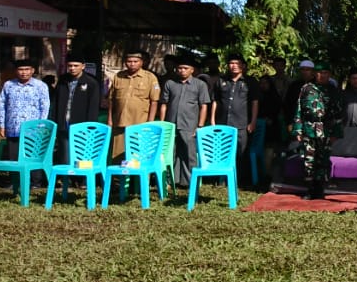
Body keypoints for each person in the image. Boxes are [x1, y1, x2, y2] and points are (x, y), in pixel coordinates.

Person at [293, 62, 343, 200]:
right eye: (320, 73)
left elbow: (338, 114)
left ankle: (320, 190)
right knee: (308, 161)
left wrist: (336, 133)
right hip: (309, 128)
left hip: (326, 129)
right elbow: (299, 110)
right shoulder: (306, 88)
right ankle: (309, 190)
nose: (322, 75)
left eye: (326, 73)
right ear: (315, 73)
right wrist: (298, 130)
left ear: (330, 75)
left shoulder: (333, 90)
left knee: (323, 161)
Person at [159, 57, 211, 186]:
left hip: (189, 124)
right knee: (172, 152)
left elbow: (203, 106)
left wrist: (200, 125)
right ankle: (171, 180)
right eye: (180, 68)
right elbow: (164, 104)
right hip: (171, 123)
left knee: (189, 153)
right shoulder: (170, 83)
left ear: (192, 70)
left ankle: (190, 181)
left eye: (185, 68)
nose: (182, 71)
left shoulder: (200, 85)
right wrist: (162, 122)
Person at [107, 50, 161, 162]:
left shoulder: (150, 78)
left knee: (139, 155)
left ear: (141, 62)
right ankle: (118, 178)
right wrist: (110, 119)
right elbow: (111, 100)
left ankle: (138, 179)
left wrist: (150, 122)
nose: (132, 64)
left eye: (135, 61)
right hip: (120, 122)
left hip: (140, 123)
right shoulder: (119, 76)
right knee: (118, 156)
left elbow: (154, 102)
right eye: (129, 61)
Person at [211, 54, 259, 172]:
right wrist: (212, 120)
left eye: (237, 63)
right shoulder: (221, 81)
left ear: (243, 66)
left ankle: (239, 178)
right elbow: (215, 101)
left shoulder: (250, 82)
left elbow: (255, 102)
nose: (234, 66)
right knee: (222, 150)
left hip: (242, 124)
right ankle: (221, 176)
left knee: (241, 152)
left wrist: (253, 121)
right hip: (222, 122)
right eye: (231, 63)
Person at [0, 58, 51, 163]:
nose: (24, 72)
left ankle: (35, 179)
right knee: (14, 159)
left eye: (27, 69)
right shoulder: (9, 85)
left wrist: (41, 127)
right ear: (16, 71)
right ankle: (16, 179)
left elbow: (45, 107)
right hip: (13, 129)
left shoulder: (40, 86)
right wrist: (2, 125)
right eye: (21, 69)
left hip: (33, 130)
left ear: (32, 70)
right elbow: (2, 104)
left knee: (32, 159)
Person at [50, 54, 102, 164]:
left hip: (82, 127)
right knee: (65, 157)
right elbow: (56, 102)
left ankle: (80, 180)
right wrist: (54, 121)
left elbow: (93, 107)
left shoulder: (91, 83)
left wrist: (90, 127)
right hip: (64, 124)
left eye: (76, 65)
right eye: (70, 66)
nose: (72, 68)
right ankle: (66, 180)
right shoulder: (63, 80)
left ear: (83, 66)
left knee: (81, 156)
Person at [283, 60, 316, 130]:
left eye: (307, 70)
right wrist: (289, 122)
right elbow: (288, 104)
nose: (305, 72)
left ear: (313, 71)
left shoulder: (318, 85)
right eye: (303, 69)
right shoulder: (294, 85)